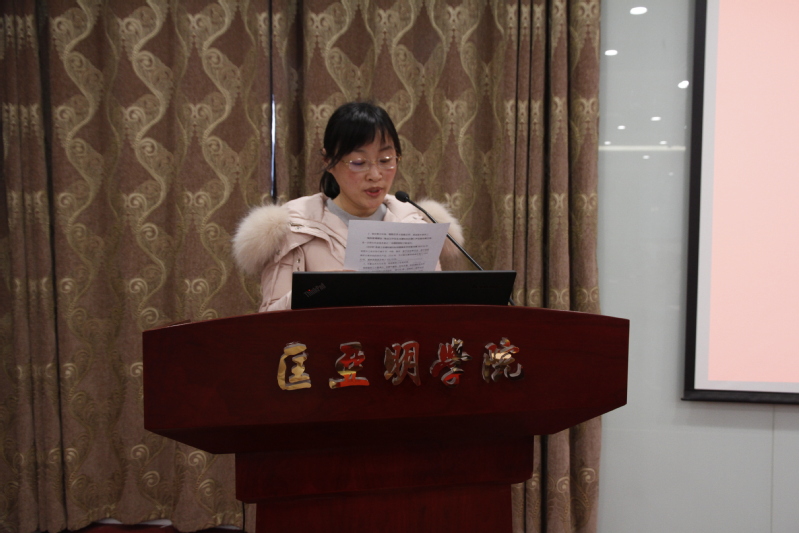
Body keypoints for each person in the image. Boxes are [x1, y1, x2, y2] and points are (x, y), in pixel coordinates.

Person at [233, 101, 463, 312]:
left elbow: (437, 312)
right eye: (358, 163)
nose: (375, 175)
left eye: (385, 160)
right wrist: (321, 289)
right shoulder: (295, 228)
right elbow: (270, 319)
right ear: (328, 162)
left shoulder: (417, 224)